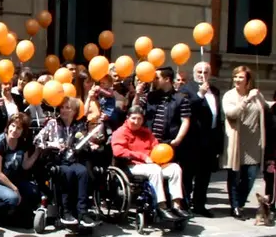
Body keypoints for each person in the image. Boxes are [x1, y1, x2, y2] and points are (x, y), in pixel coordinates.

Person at [112, 106, 190, 221]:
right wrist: (142, 156)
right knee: (155, 170)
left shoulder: (146, 132)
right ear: (127, 118)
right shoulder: (120, 132)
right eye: (133, 118)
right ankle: (161, 206)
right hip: (132, 165)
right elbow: (118, 151)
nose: (136, 122)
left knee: (175, 168)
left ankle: (177, 205)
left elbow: (156, 147)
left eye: (139, 119)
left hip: (152, 163)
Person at [33, 97, 96, 227]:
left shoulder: (79, 126)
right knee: (67, 172)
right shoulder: (53, 123)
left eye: (68, 108)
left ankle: (82, 212)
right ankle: (66, 211)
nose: (64, 110)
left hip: (73, 160)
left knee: (83, 172)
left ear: (74, 111)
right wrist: (52, 144)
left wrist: (89, 144)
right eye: (62, 107)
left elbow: (84, 144)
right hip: (57, 160)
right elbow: (37, 140)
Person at [221, 66, 267, 219]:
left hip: (253, 142)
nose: (237, 80)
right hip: (236, 141)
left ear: (248, 80)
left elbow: (266, 108)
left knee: (251, 175)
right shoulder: (229, 95)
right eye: (235, 77)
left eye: (241, 77)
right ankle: (235, 206)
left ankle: (240, 202)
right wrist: (246, 100)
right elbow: (231, 114)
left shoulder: (256, 94)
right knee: (234, 176)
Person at [178, 62, 223, 217]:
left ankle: (199, 205)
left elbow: (217, 117)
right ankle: (184, 204)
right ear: (194, 72)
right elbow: (186, 108)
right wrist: (199, 95)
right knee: (188, 175)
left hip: (209, 141)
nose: (202, 74)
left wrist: (219, 144)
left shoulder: (215, 91)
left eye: (205, 71)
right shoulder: (186, 89)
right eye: (199, 71)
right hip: (192, 141)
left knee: (204, 176)